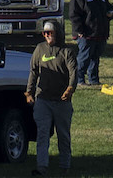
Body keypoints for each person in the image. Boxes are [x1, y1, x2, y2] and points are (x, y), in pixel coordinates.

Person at [25, 31, 72, 170]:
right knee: (42, 134)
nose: (48, 36)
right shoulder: (40, 49)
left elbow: (74, 72)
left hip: (62, 101)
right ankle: (42, 166)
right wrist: (29, 92)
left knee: (63, 135)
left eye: (51, 33)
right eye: (45, 33)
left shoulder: (66, 52)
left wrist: (70, 88)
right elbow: (33, 71)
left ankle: (65, 166)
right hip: (43, 100)